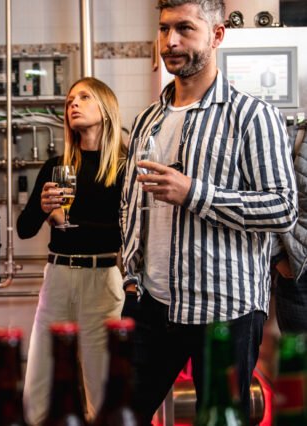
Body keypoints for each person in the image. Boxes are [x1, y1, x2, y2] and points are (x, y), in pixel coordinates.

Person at [119, 1, 297, 424]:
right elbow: (130, 204)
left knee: (220, 419)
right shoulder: (146, 120)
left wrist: (194, 193)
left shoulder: (253, 116)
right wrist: (130, 276)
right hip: (151, 304)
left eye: (185, 28)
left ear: (217, 35)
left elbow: (283, 208)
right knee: (120, 415)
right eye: (164, 29)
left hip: (226, 311)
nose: (170, 41)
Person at [17, 77, 127, 424]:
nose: (73, 104)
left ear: (105, 109)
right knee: (39, 384)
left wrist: (69, 222)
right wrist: (42, 208)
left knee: (102, 386)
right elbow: (24, 229)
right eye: (69, 101)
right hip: (58, 276)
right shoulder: (56, 166)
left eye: (84, 97)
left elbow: (124, 234)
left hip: (103, 278)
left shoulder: (123, 168)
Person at [273, 123, 307, 332]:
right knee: (297, 349)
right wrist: (277, 257)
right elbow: (267, 197)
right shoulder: (293, 137)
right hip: (299, 275)